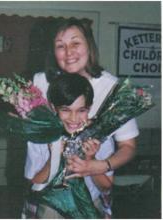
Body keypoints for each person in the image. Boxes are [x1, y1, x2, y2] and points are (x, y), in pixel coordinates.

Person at [31, 17, 139, 178]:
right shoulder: (41, 82)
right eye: (60, 45)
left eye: (75, 43)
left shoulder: (113, 88)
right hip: (45, 181)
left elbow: (128, 146)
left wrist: (101, 166)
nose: (68, 52)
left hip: (93, 185)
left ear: (89, 45)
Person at [23, 74, 114, 218]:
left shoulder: (100, 136)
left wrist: (91, 159)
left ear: (89, 108)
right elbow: (33, 184)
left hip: (90, 205)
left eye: (81, 110)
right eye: (65, 110)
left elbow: (106, 187)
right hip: (50, 206)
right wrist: (53, 159)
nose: (73, 118)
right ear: (54, 108)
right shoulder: (39, 136)